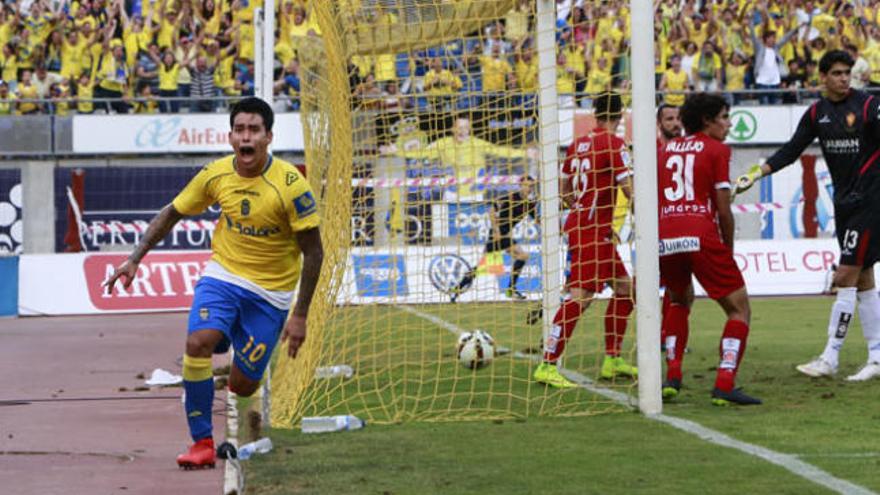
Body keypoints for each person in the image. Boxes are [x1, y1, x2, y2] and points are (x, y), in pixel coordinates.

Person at [103, 97, 324, 468]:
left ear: (269, 136)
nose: (246, 137)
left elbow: (314, 252)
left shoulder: (291, 185)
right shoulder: (216, 174)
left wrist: (299, 315)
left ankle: (228, 336)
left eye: (254, 130)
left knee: (243, 386)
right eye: (239, 130)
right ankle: (202, 443)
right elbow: (173, 212)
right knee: (197, 342)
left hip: (271, 294)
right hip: (223, 275)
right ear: (230, 136)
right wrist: (134, 257)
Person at [736, 50, 880, 382]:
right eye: (837, 73)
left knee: (845, 276)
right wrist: (756, 174)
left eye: (847, 73)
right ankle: (875, 355)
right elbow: (791, 150)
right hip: (845, 204)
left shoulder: (869, 106)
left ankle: (830, 356)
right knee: (864, 279)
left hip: (869, 203)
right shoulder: (817, 113)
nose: (844, 78)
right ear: (823, 78)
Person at [658, 93, 760, 406]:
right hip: (700, 233)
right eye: (725, 117)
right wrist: (727, 246)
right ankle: (724, 382)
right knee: (738, 308)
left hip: (665, 234)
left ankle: (672, 375)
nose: (729, 124)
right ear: (707, 120)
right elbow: (723, 208)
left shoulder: (663, 151)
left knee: (678, 300)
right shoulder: (717, 149)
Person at [532, 92, 637, 388]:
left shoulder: (577, 145)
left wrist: (584, 210)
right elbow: (628, 188)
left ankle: (612, 358)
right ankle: (548, 364)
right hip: (592, 229)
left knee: (626, 289)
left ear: (594, 112)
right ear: (621, 114)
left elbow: (564, 188)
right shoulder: (615, 144)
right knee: (580, 297)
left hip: (583, 224)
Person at [451, 175, 538, 303]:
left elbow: (537, 218)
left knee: (520, 257)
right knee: (487, 265)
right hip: (497, 234)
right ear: (520, 186)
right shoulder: (511, 197)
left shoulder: (529, 204)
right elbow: (492, 208)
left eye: (531, 186)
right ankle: (458, 288)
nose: (529, 188)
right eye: (526, 185)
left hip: (505, 235)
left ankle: (458, 288)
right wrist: (496, 228)